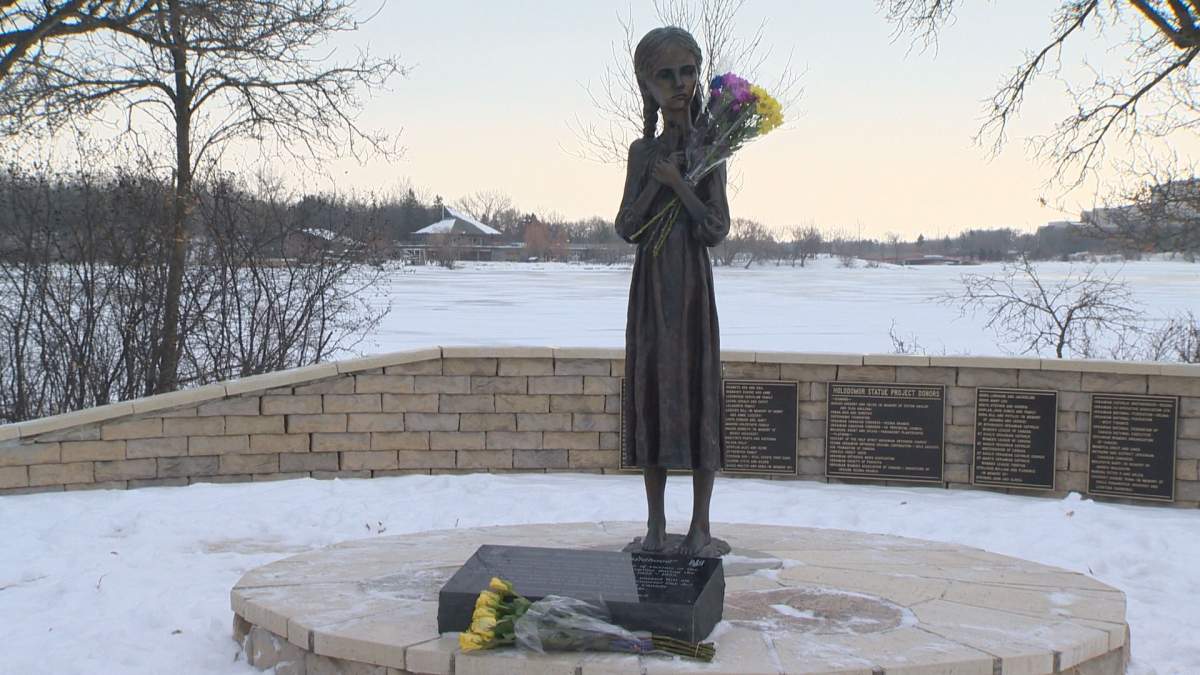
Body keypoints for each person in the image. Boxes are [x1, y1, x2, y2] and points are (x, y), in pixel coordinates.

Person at [614, 26, 730, 557]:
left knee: (698, 391)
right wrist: (656, 182)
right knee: (653, 392)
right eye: (667, 75)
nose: (680, 84)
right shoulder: (642, 154)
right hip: (651, 291)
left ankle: (700, 527)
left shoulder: (712, 148)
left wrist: (683, 184)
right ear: (648, 86)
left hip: (690, 293)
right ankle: (657, 527)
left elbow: (715, 228)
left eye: (688, 71)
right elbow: (626, 227)